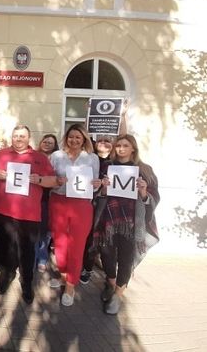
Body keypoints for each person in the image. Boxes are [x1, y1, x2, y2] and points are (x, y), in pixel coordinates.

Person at [0, 125, 55, 304]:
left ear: (29, 138)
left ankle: (26, 281)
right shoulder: (1, 154)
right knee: (5, 244)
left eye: (22, 136)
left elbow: (54, 180)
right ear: (12, 137)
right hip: (3, 211)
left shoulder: (39, 158)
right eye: (16, 136)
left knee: (27, 250)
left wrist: (39, 179)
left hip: (29, 215)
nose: (18, 139)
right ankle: (6, 273)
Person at [95, 134, 159, 314]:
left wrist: (144, 191)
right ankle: (111, 283)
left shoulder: (144, 169)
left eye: (125, 145)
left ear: (133, 149)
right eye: (119, 145)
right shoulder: (108, 167)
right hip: (109, 219)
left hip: (132, 221)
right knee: (106, 255)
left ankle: (118, 295)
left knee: (126, 259)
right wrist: (103, 188)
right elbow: (98, 194)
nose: (121, 148)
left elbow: (154, 196)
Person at [49, 124, 102, 306]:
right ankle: (63, 276)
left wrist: (97, 184)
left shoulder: (92, 158)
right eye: (71, 137)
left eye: (78, 137)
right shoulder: (56, 156)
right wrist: (56, 181)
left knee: (77, 246)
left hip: (81, 205)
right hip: (59, 201)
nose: (74, 140)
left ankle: (71, 285)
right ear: (66, 138)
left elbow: (94, 184)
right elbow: (49, 180)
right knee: (60, 244)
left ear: (84, 140)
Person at [80, 134, 114, 284]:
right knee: (90, 236)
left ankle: (110, 273)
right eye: (100, 140)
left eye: (107, 141)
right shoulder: (89, 158)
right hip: (89, 201)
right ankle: (87, 268)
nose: (103, 143)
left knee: (107, 239)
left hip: (109, 205)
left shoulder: (116, 163)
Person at [35, 134, 59, 272]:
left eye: (50, 143)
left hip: (47, 198)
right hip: (32, 199)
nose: (47, 144)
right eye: (45, 141)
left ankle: (42, 258)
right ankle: (33, 256)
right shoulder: (34, 156)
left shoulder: (56, 160)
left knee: (44, 231)